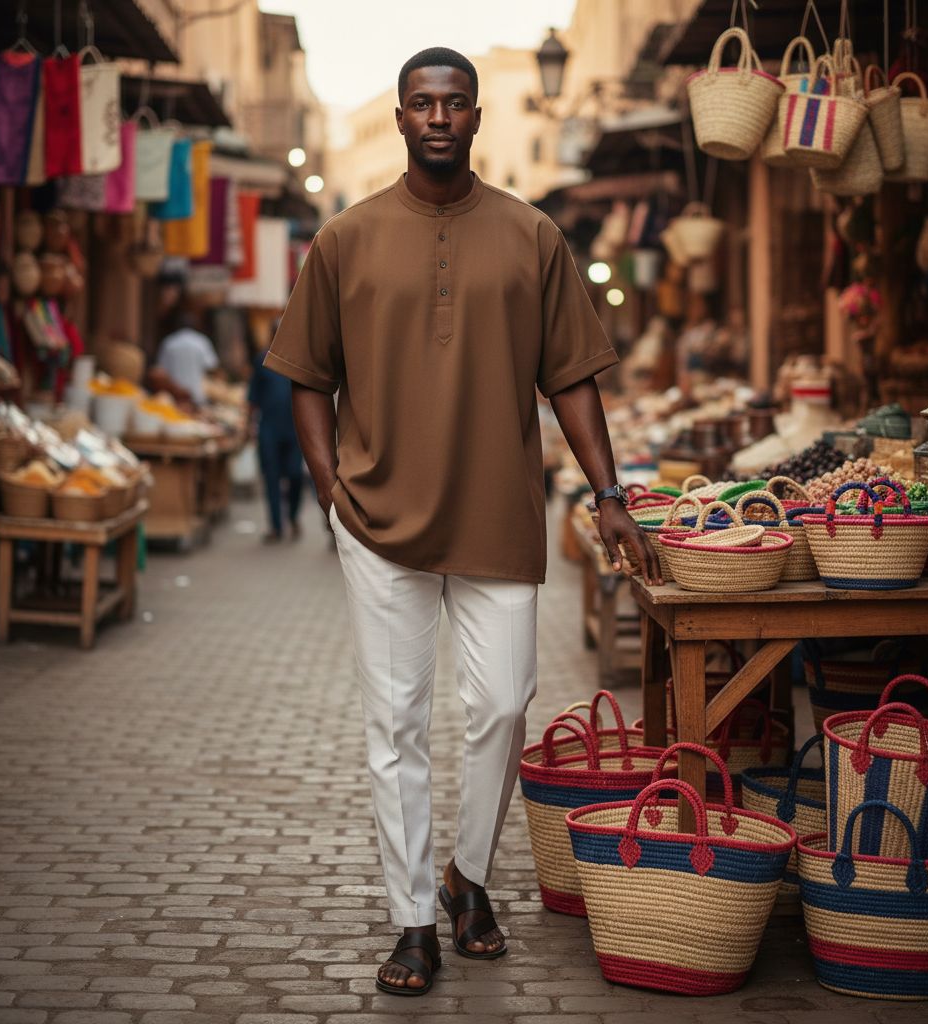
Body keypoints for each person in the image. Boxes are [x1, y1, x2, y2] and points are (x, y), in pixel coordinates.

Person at [264, 47, 659, 997]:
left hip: (498, 511)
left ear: (477, 117)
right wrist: (330, 491)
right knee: (395, 725)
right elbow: (305, 377)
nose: (438, 117)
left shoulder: (532, 235)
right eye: (420, 104)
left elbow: (570, 374)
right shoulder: (348, 238)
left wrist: (609, 494)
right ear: (400, 119)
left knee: (506, 704)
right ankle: (413, 921)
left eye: (454, 104)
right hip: (377, 518)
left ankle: (467, 876)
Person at [247, 329, 305, 542]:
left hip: (295, 429)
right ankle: (276, 527)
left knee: (295, 475)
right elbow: (253, 396)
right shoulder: (262, 359)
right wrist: (248, 426)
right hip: (269, 429)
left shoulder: (299, 359)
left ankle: (292, 516)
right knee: (271, 477)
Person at [156, 297, 219, 406]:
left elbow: (161, 372)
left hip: (174, 398)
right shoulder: (201, 342)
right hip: (197, 396)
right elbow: (212, 367)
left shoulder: (169, 342)